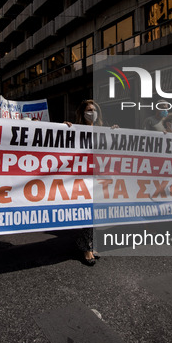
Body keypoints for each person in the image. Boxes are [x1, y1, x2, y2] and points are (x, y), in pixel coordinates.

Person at [66, 99, 104, 266]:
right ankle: (87, 248)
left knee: (95, 213)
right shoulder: (75, 129)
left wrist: (116, 132)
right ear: (82, 113)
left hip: (99, 176)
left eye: (94, 110)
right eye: (88, 110)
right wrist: (63, 128)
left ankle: (87, 243)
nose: (91, 112)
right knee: (89, 211)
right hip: (83, 176)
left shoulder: (102, 130)